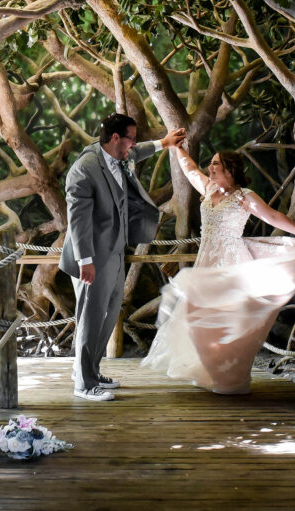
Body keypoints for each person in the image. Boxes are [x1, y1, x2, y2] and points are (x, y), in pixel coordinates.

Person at [142, 142, 295, 394]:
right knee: (198, 315)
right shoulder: (208, 187)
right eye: (211, 163)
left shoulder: (244, 197)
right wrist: (175, 148)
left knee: (228, 319)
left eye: (216, 164)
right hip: (207, 260)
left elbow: (271, 216)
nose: (210, 167)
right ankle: (207, 370)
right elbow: (190, 169)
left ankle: (230, 376)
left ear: (230, 170)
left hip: (232, 261)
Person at [59, 113, 186, 401]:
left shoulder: (119, 155)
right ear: (115, 138)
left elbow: (138, 152)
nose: (134, 143)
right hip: (91, 259)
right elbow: (77, 221)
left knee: (110, 313)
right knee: (90, 318)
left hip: (115, 253)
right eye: (130, 137)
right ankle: (83, 384)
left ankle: (90, 369)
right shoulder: (85, 169)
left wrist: (164, 143)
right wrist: (84, 262)